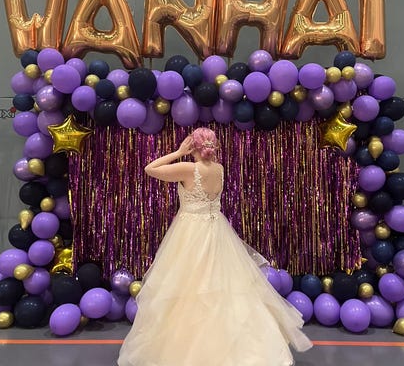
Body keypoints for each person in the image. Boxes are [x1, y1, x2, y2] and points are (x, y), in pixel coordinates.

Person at [117, 127, 312, 366]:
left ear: (193, 146)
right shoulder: (219, 169)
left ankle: (192, 351)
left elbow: (150, 168)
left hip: (191, 233)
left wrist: (178, 152)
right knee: (223, 286)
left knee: (188, 288)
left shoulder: (189, 169)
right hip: (217, 231)